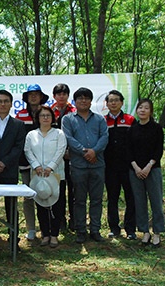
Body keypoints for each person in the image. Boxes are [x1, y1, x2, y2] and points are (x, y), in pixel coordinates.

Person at [61, 87, 108, 244]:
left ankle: (95, 230)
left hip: (98, 164)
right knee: (79, 200)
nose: (83, 100)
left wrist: (94, 151)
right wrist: (84, 152)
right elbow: (68, 138)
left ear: (90, 100)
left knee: (96, 199)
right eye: (80, 98)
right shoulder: (68, 119)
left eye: (86, 98)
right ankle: (80, 230)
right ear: (75, 101)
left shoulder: (100, 119)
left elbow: (104, 137)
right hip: (78, 166)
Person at [0, 90, 25, 252]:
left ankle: (13, 238)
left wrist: (3, 163)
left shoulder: (18, 124)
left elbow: (18, 147)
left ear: (10, 103)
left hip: (9, 171)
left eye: (6, 101)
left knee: (11, 206)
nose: (2, 104)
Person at [24, 106, 67, 247]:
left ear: (52, 118)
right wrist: (36, 166)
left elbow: (61, 150)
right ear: (38, 118)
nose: (45, 118)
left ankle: (54, 234)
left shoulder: (59, 133)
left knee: (57, 205)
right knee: (41, 203)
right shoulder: (31, 135)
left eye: (48, 115)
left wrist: (51, 166)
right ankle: (45, 234)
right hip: (38, 174)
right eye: (42, 115)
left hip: (55, 174)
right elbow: (28, 151)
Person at [126, 99, 165, 247]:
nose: (142, 110)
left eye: (146, 108)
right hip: (135, 171)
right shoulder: (132, 129)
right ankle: (145, 232)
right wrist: (136, 168)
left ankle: (157, 232)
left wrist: (149, 166)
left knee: (156, 201)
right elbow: (128, 151)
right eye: (140, 107)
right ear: (136, 110)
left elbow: (158, 150)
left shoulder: (156, 128)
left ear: (151, 111)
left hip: (153, 170)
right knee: (139, 202)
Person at [15, 84, 49, 241]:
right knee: (28, 196)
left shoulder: (48, 113)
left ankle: (46, 228)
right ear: (27, 98)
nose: (34, 97)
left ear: (41, 96)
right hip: (26, 162)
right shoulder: (20, 115)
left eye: (37, 94)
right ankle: (31, 228)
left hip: (46, 164)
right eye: (30, 94)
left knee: (45, 194)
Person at [104, 90, 137, 240]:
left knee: (131, 197)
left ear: (122, 102)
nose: (113, 103)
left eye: (116, 100)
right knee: (112, 197)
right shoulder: (102, 121)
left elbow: (136, 143)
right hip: (110, 167)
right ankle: (114, 228)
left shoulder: (130, 120)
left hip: (128, 166)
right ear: (107, 103)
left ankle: (130, 229)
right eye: (110, 100)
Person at [51, 83, 76, 232]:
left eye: (64, 93)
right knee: (58, 189)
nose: (61, 96)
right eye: (58, 94)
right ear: (54, 96)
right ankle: (60, 220)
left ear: (68, 96)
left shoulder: (74, 111)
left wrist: (71, 150)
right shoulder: (49, 111)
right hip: (55, 158)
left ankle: (74, 219)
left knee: (73, 189)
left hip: (72, 156)